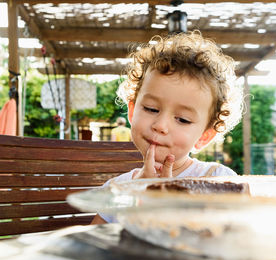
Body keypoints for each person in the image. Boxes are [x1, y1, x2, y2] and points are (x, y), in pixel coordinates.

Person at [91, 30, 243, 224]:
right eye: (151, 109)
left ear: (204, 136)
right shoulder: (117, 189)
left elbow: (237, 242)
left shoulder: (218, 182)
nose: (161, 126)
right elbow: (92, 247)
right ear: (132, 111)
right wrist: (136, 197)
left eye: (183, 120)